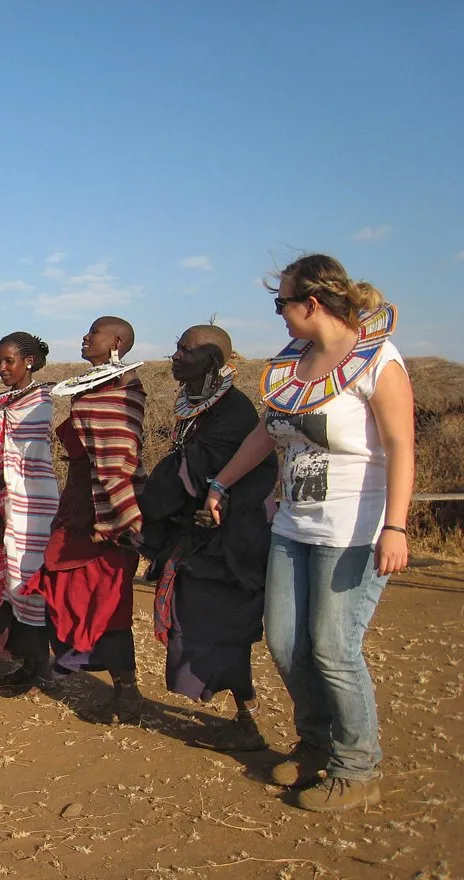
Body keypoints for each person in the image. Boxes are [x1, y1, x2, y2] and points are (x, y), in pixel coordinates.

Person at [204, 254, 414, 812]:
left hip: (355, 530)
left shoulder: (377, 360)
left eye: (282, 303)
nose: (279, 313)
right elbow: (266, 433)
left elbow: (401, 445)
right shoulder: (294, 363)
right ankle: (316, 741)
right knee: (286, 642)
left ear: (311, 303)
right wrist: (222, 482)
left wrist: (396, 526)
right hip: (294, 525)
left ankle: (357, 767)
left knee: (334, 649)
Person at [139, 325, 278, 751]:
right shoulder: (199, 408)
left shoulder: (234, 412)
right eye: (177, 348)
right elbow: (188, 468)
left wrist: (215, 504)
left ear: (212, 361)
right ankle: (244, 714)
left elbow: (241, 473)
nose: (175, 357)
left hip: (231, 545)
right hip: (200, 537)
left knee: (224, 627)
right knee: (199, 622)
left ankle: (248, 719)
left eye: (186, 350)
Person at [25, 317, 146, 722]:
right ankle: (80, 670)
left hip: (107, 512)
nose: (85, 336)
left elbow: (118, 460)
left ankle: (127, 693)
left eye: (94, 332)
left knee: (107, 601)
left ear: (116, 342)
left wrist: (119, 518)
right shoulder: (92, 386)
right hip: (78, 506)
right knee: (64, 589)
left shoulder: (124, 389)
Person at [0, 333, 59, 686]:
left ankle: (40, 666)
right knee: (2, 581)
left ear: (29, 362)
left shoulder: (40, 402)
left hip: (29, 504)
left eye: (9, 361)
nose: (2, 368)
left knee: (26, 579)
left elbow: (30, 459)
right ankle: (22, 661)